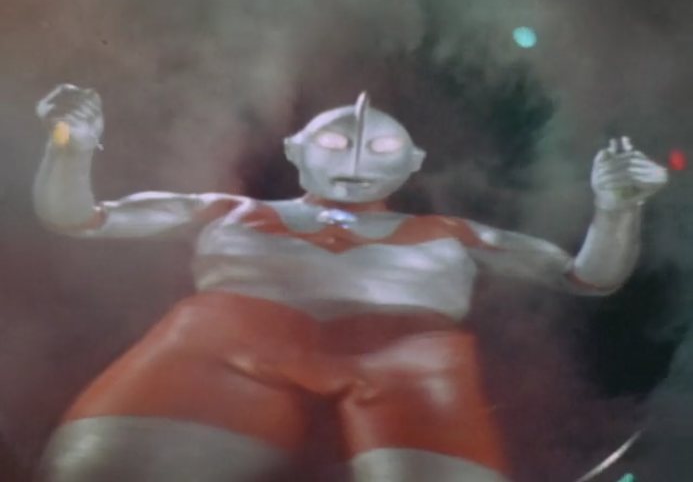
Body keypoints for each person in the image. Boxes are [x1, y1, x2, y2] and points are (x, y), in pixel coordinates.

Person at [32, 84, 667, 481]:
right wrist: (70, 148)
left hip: (408, 359)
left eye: (382, 150)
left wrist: (617, 209)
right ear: (295, 149)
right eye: (336, 142)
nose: (357, 160)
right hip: (223, 344)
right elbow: (81, 218)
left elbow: (588, 276)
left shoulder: (451, 232)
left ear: (413, 164)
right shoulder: (230, 210)